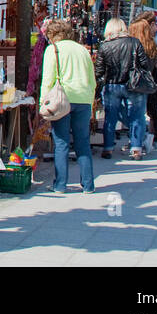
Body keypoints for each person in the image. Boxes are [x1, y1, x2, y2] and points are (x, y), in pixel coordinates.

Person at [39, 19, 97, 193]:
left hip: (62, 100)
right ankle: (88, 184)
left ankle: (60, 185)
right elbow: (92, 79)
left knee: (61, 142)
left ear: (52, 35)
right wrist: (91, 100)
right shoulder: (82, 50)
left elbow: (47, 79)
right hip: (84, 99)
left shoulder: (53, 50)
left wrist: (43, 103)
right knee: (83, 142)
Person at [95, 18, 154, 160]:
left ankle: (108, 148)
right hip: (133, 84)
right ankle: (136, 148)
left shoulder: (105, 46)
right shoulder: (134, 42)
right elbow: (144, 64)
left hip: (112, 85)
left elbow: (99, 70)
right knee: (137, 116)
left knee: (110, 117)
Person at [131, 12, 157, 150]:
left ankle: (141, 139)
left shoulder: (137, 43)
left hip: (139, 83)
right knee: (152, 111)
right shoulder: (151, 44)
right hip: (150, 82)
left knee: (140, 112)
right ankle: (149, 139)